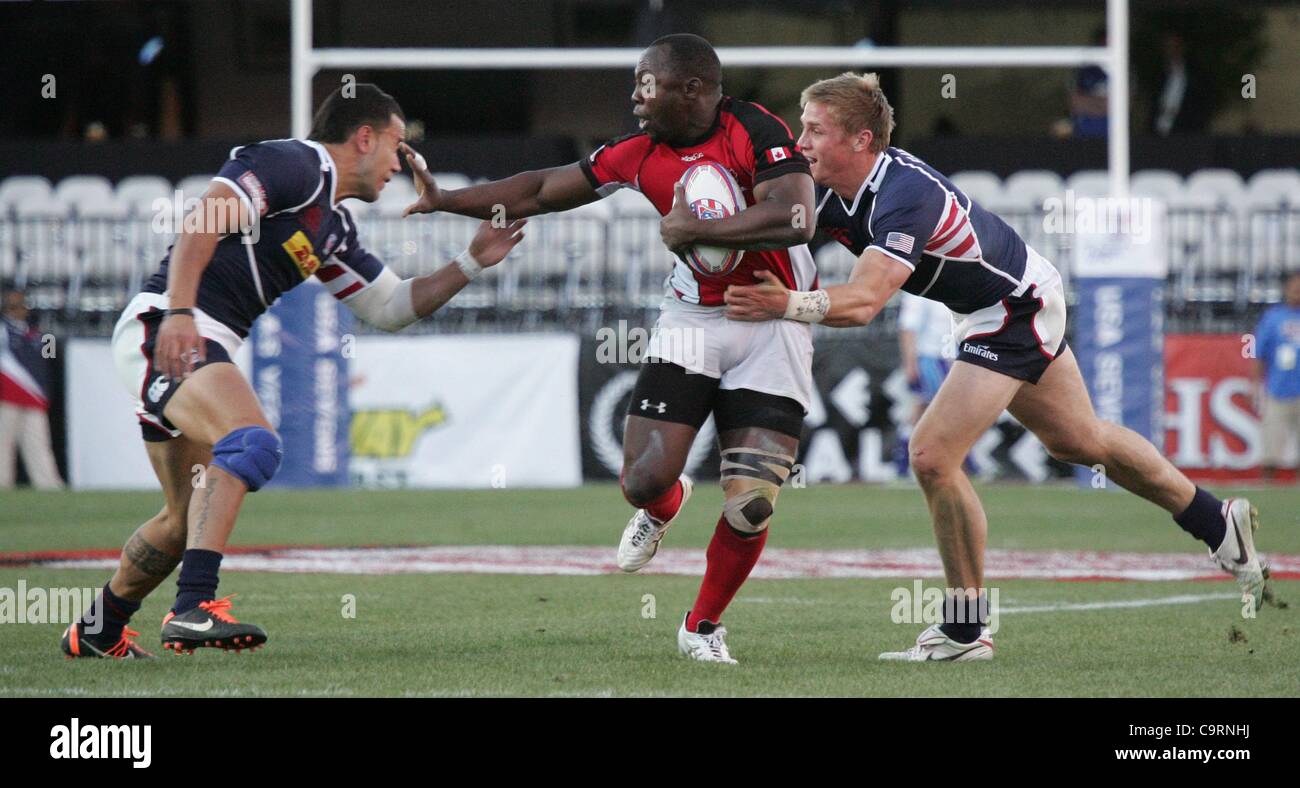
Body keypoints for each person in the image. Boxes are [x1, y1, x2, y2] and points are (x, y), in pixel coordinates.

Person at [724, 72, 1266, 662]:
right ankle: (1216, 520)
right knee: (1079, 442)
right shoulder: (828, 186)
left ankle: (964, 631)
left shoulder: (904, 194)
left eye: (815, 130)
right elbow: (767, 219)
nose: (800, 142)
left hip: (1013, 307)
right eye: (802, 127)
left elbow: (863, 304)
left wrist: (787, 304)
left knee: (932, 454)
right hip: (996, 304)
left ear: (860, 140)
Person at [60, 84, 526, 659]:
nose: (402, 163)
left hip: (189, 335)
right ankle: (192, 607)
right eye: (398, 145)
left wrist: (471, 261)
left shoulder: (333, 226)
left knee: (183, 523)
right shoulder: (294, 163)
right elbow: (203, 219)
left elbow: (392, 307)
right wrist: (180, 312)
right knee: (251, 443)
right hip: (168, 326)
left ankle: (96, 629)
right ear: (364, 136)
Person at [405, 34, 817, 664]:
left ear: (694, 90)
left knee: (754, 501)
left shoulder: (755, 129)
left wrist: (694, 229)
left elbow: (796, 217)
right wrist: (445, 202)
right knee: (644, 479)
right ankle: (664, 506)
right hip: (693, 319)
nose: (635, 94)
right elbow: (542, 189)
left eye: (647, 83)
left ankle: (701, 627)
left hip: (774, 318)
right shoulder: (636, 151)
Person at [0, 290, 64, 489]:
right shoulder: (3, 331)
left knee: (39, 444)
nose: (17, 311)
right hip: (7, 396)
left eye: (21, 306)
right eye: (12, 307)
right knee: (3, 444)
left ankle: (48, 485)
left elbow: (51, 359)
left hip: (34, 397)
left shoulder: (39, 334)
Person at [1254, 272, 1300, 481]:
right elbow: (1259, 354)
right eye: (1294, 287)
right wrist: (1254, 385)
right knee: (1271, 448)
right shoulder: (1273, 317)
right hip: (1277, 389)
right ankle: (1267, 486)